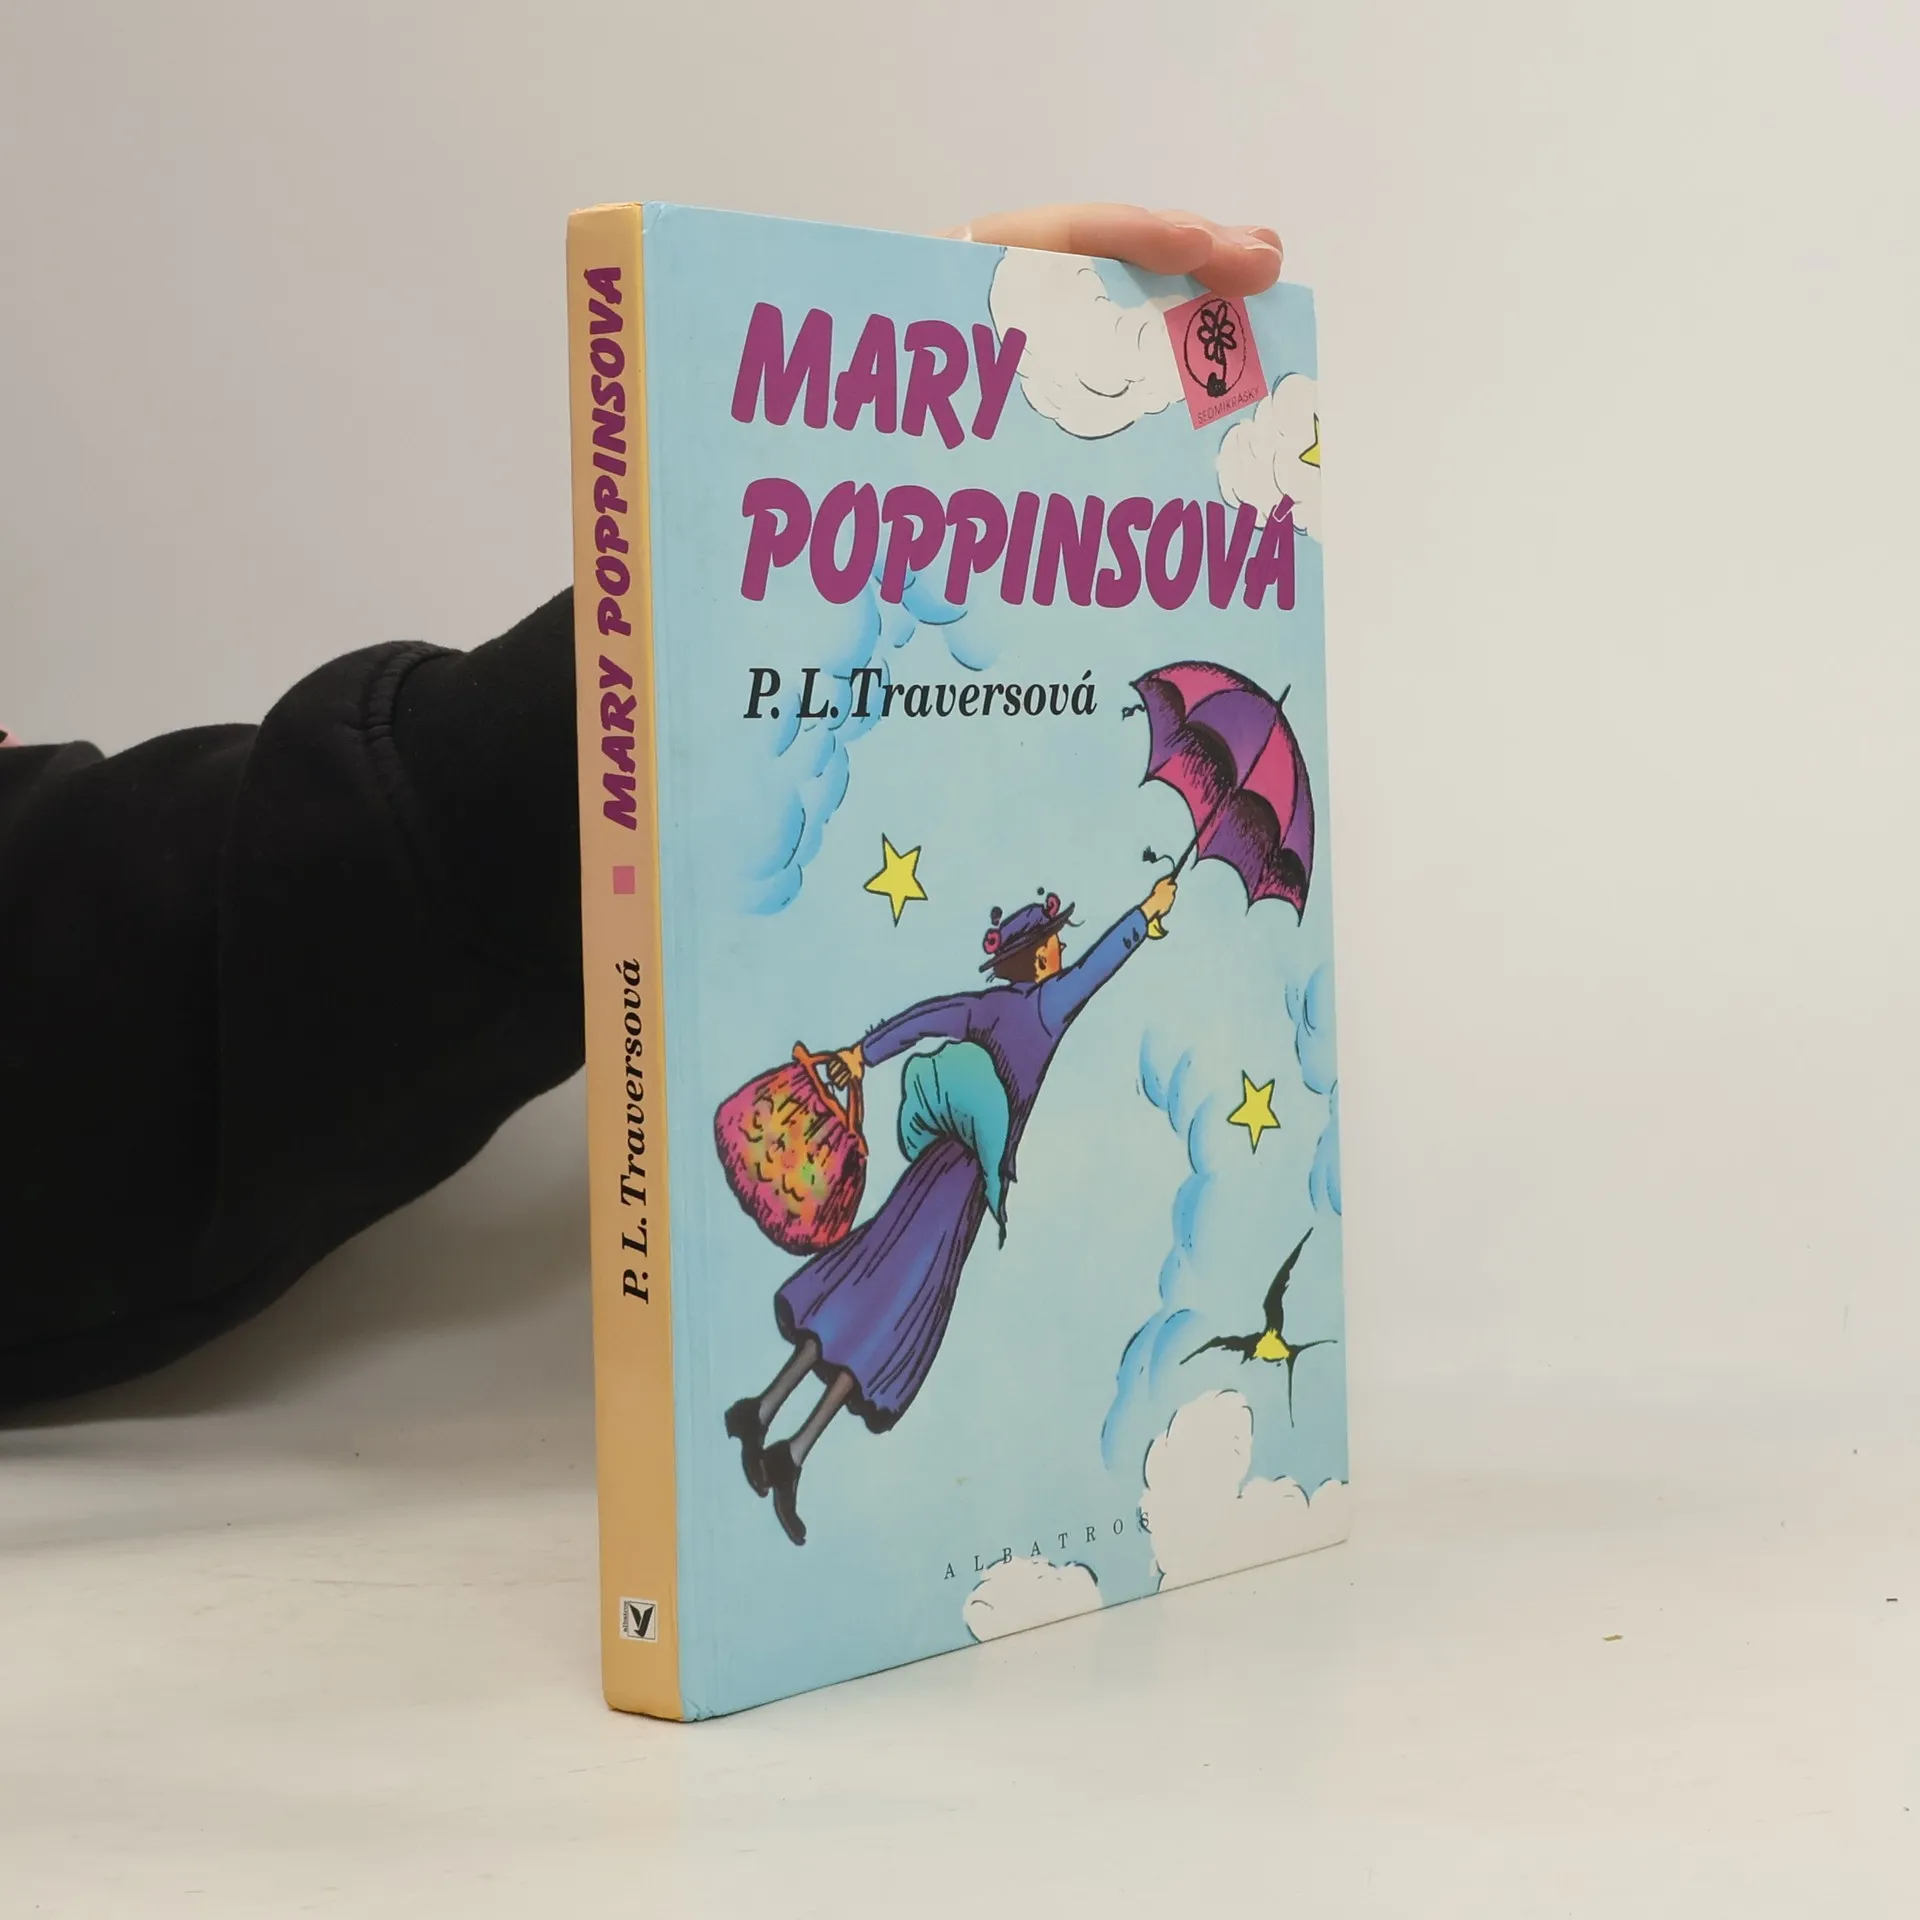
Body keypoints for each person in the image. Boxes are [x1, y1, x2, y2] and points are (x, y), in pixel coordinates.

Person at [0, 205, 1281, 1413]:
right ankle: (781, 1423)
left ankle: (783, 1420)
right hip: (935, 1176)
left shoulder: (1017, 1003)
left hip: (931, 1174)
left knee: (875, 1308)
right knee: (876, 1307)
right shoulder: (1030, 1003)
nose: (1052, 952)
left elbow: (113, 994)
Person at [727, 874, 1179, 1544]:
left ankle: (768, 1419)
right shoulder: (1046, 1007)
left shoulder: (988, 1005)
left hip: (936, 1169)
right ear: (1041, 955)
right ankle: (783, 1442)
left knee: (866, 1287)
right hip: (958, 1186)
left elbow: (925, 1017)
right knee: (891, 1309)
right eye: (1054, 943)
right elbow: (1095, 970)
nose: (1060, 951)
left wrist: (861, 1053)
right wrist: (1146, 913)